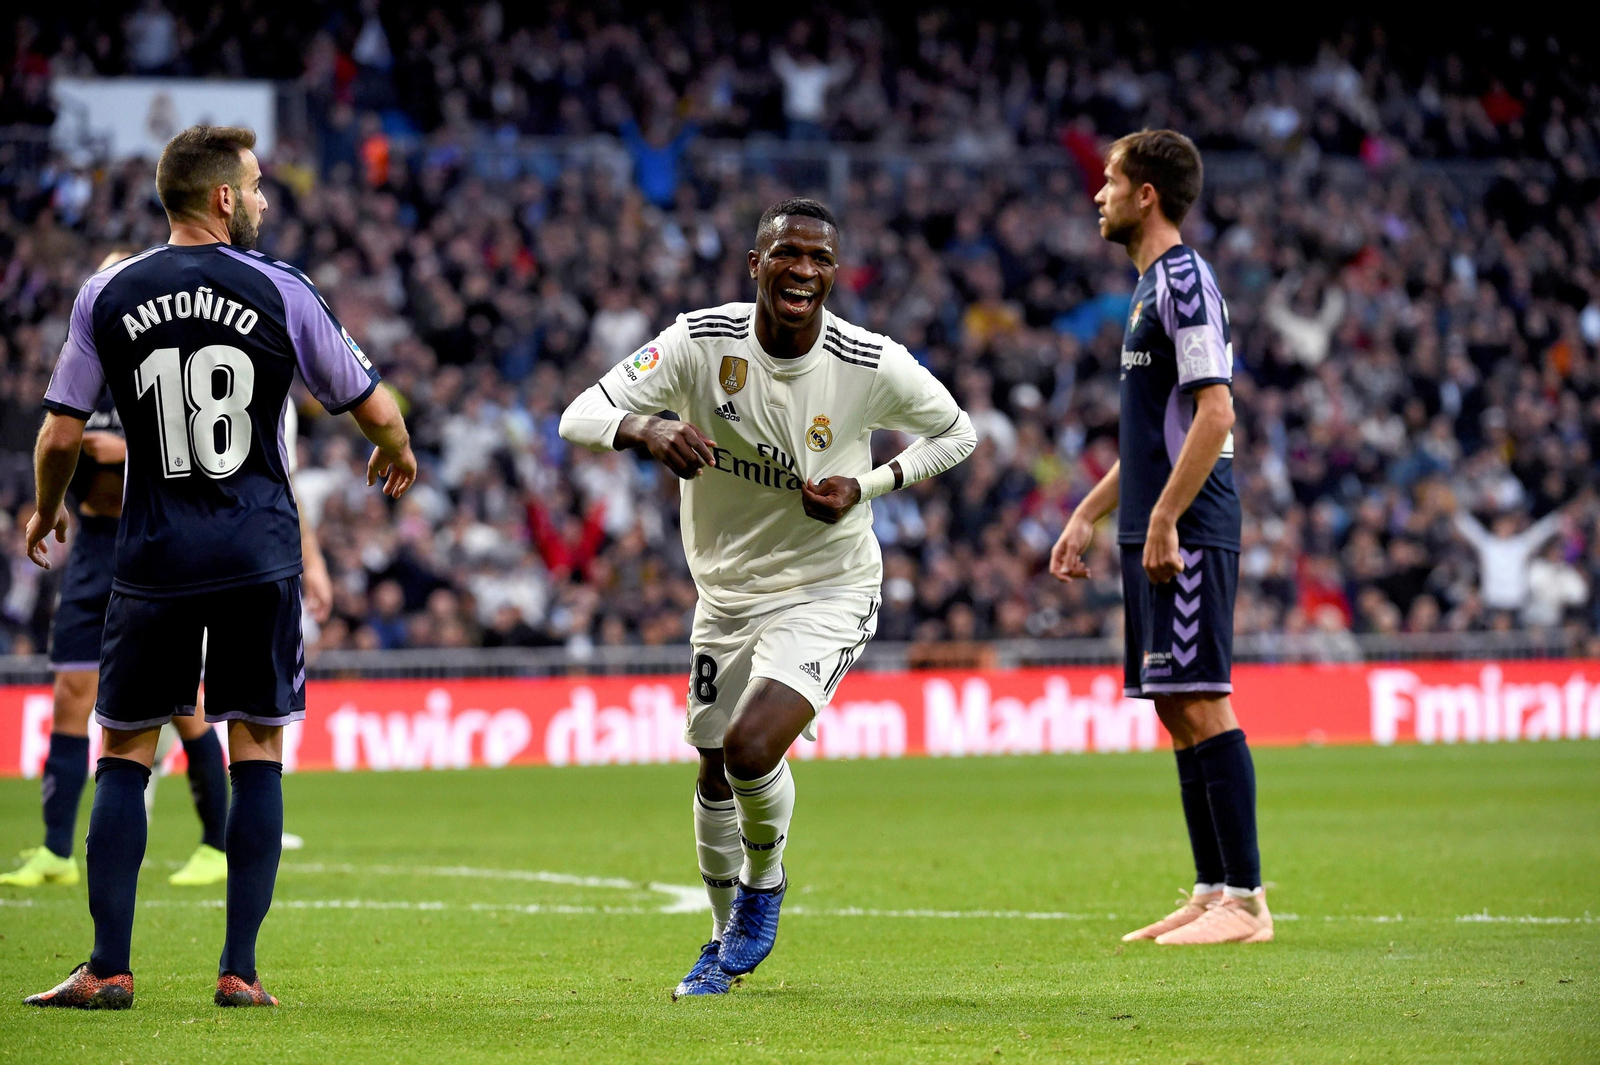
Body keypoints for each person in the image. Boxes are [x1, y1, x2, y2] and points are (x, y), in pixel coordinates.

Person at [22, 124, 415, 1010]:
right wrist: (395, 447)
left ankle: (108, 966)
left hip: (154, 554)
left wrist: (47, 509)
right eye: (258, 185)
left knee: (124, 750)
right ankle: (239, 969)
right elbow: (371, 403)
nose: (267, 199)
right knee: (258, 751)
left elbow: (58, 432)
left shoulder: (108, 293)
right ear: (224, 198)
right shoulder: (280, 286)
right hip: (258, 552)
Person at [559, 198, 975, 996]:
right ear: (757, 264)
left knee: (752, 748)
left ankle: (766, 882)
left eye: (820, 259)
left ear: (833, 274)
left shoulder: (867, 360)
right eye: (788, 254)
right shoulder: (699, 342)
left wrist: (871, 483)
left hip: (828, 584)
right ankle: (720, 945)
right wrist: (644, 430)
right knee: (714, 769)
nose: (804, 270)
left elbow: (959, 430)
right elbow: (582, 412)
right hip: (725, 594)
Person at [2, 253, 333, 893]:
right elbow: (57, 441)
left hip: (156, 545)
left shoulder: (155, 365)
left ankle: (212, 839)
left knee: (181, 711)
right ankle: (54, 848)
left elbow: (193, 444)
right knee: (71, 694)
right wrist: (52, 500)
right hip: (96, 546)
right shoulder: (86, 367)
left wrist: (117, 449)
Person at [1050, 130, 1271, 945]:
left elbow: (1216, 414)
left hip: (1191, 524)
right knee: (1175, 706)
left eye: (1109, 181)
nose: (1096, 194)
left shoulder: (1186, 283)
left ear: (1147, 193)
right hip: (1153, 525)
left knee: (1203, 698)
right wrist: (1089, 511)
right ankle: (1213, 887)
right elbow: (1153, 435)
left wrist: (1171, 517)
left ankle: (1246, 902)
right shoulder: (1148, 292)